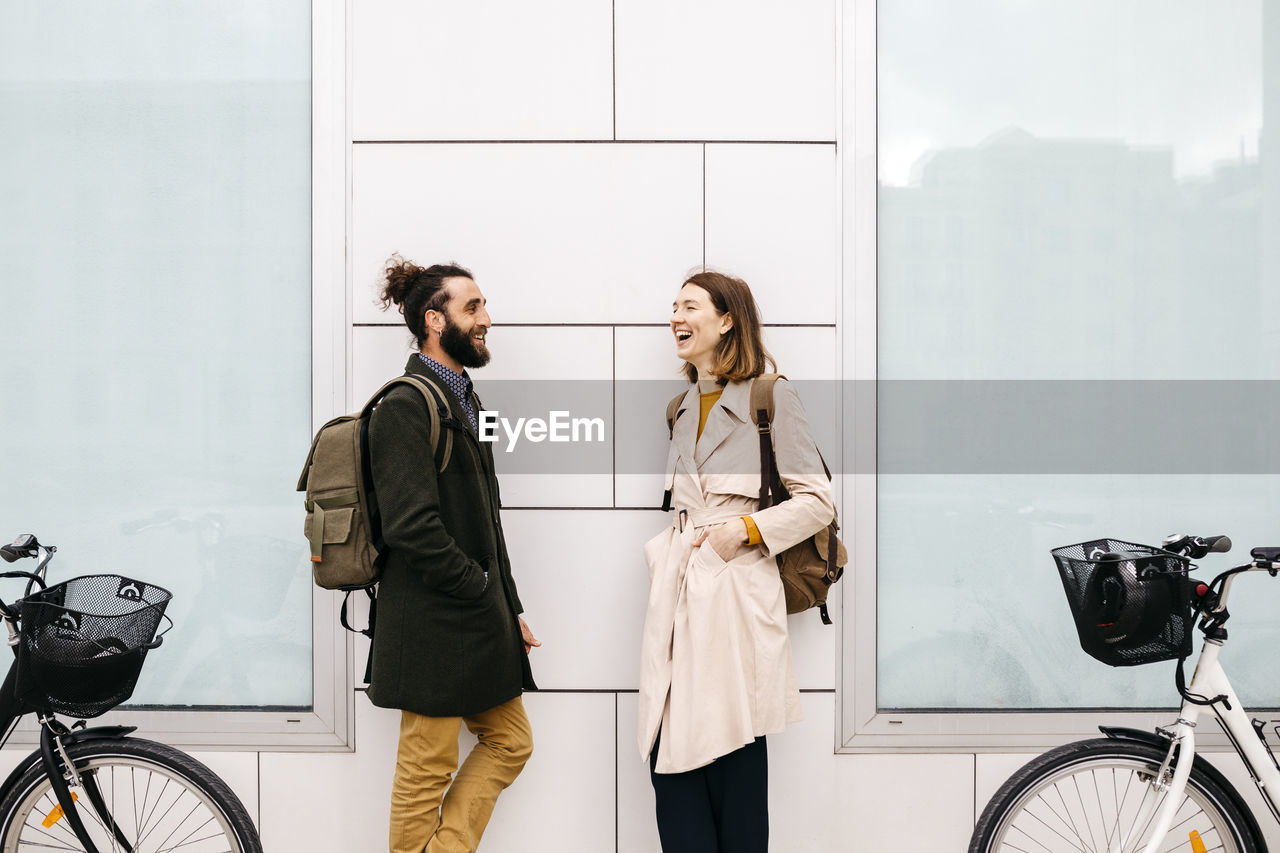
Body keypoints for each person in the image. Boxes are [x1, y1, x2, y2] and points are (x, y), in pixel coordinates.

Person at [637, 270, 835, 853]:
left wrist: (744, 530)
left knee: (734, 759)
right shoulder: (678, 407)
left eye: (690, 306)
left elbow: (818, 501)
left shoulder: (770, 396)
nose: (676, 316)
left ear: (726, 320)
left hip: (736, 598)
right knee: (670, 756)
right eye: (673, 307)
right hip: (680, 593)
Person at [367, 255, 540, 853]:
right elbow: (412, 527)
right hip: (431, 624)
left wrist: (507, 606)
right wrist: (475, 586)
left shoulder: (467, 402)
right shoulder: (405, 406)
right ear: (435, 321)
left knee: (510, 742)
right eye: (474, 307)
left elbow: (487, 522)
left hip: (475, 618)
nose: (487, 318)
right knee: (425, 772)